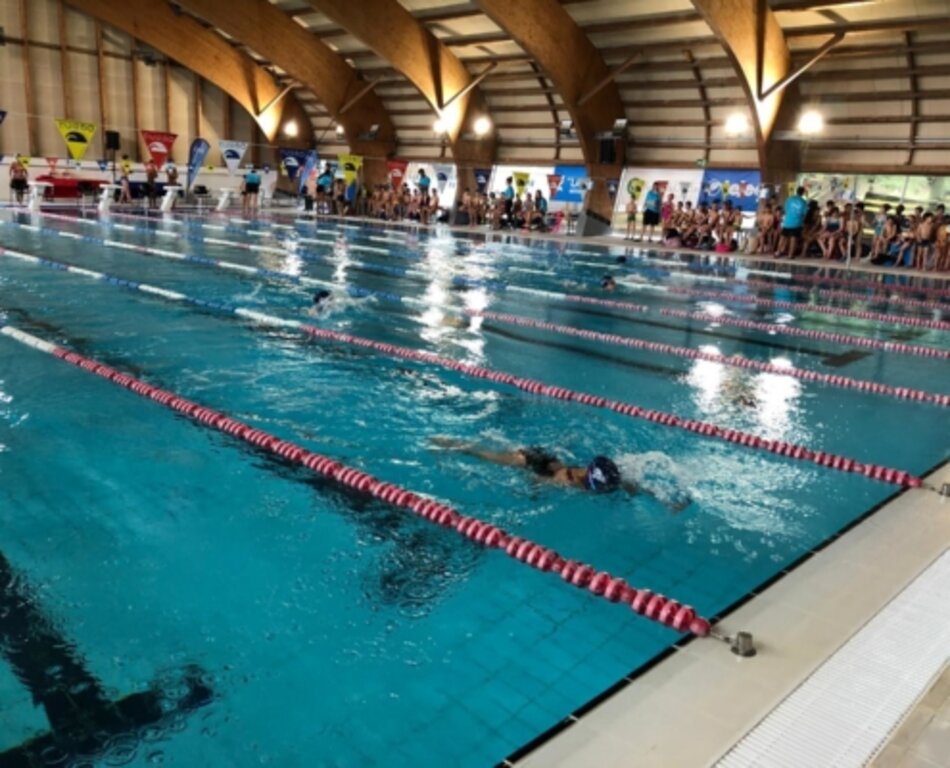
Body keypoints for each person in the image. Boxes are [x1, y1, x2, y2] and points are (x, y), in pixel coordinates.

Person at [431, 439, 690, 511]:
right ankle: (450, 444)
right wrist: (533, 493)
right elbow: (537, 480)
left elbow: (631, 484)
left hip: (551, 459)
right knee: (487, 456)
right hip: (532, 463)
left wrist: (666, 502)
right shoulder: (568, 482)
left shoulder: (602, 477)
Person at [776, 186, 807, 258]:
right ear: (803, 193)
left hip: (787, 222)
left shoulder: (789, 199)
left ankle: (778, 252)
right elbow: (804, 213)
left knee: (783, 238)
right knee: (793, 239)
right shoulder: (803, 202)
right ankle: (790, 254)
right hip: (797, 222)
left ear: (796, 191)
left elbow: (786, 209)